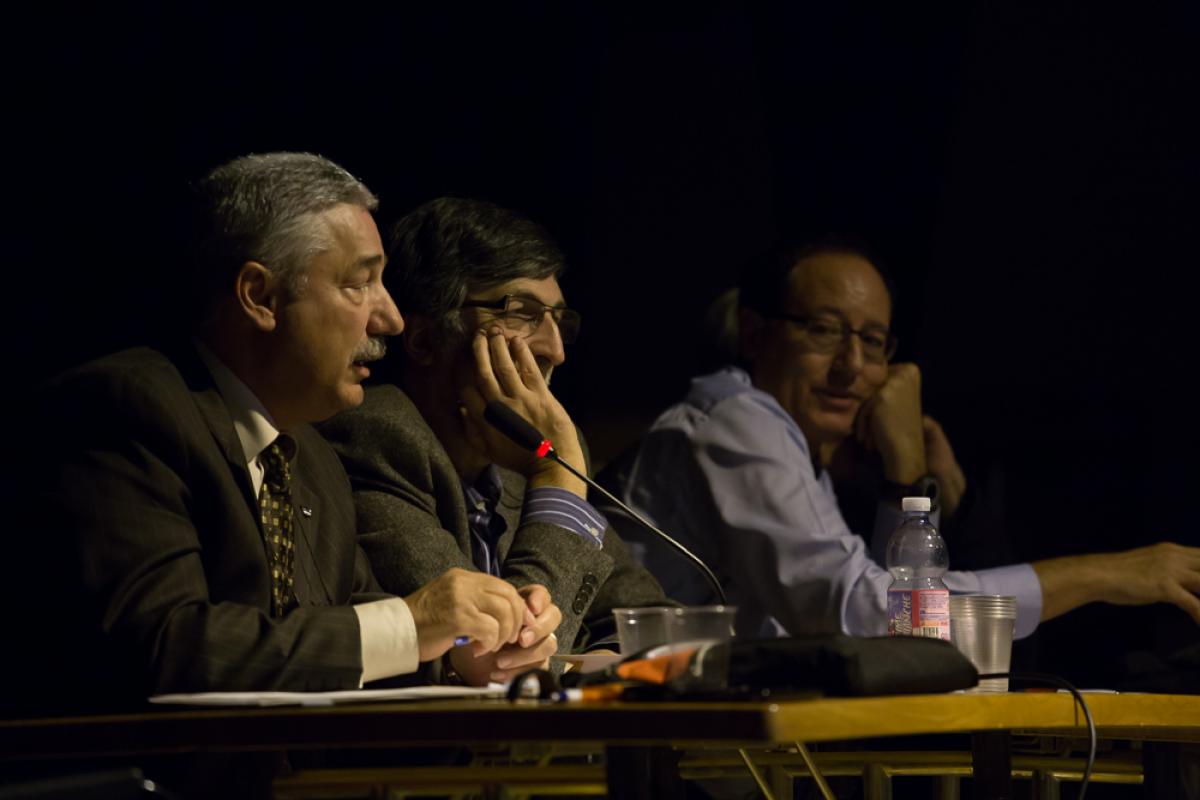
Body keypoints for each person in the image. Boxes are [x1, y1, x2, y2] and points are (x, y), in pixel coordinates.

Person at [7, 154, 554, 715]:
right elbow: (165, 647)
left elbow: (346, 645)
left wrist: (464, 651)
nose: (389, 318)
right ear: (260, 296)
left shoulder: (310, 458)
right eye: (359, 283)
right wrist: (415, 625)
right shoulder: (124, 411)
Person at [604, 239, 1200, 640]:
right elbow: (867, 614)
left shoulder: (790, 440)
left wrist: (906, 472)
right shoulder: (738, 420)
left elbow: (895, 616)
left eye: (872, 341)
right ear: (756, 334)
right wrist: (1105, 575)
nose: (852, 367)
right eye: (825, 331)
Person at [319, 197, 667, 686]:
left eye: (559, 320)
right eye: (522, 312)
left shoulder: (524, 457)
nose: (555, 351)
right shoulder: (375, 436)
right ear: (423, 340)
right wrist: (556, 479)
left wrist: (596, 662)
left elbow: (652, 620)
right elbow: (496, 654)